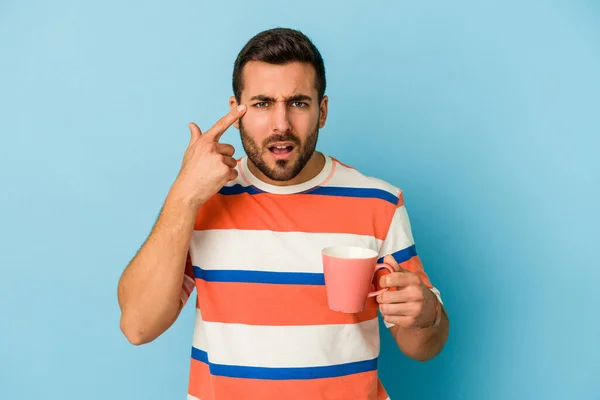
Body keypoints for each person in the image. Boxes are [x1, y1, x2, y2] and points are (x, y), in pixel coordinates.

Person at [117, 27, 449, 400]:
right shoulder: (203, 200)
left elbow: (423, 346)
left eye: (298, 103)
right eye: (261, 104)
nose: (281, 124)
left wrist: (426, 314)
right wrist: (183, 195)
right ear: (235, 112)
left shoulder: (379, 202)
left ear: (321, 111)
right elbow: (137, 326)